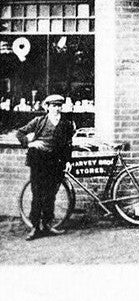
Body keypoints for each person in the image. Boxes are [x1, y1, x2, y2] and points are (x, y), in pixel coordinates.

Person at [15, 95, 76, 240]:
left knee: (50, 195)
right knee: (37, 194)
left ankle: (47, 225)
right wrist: (29, 143)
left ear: (61, 107)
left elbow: (68, 144)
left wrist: (68, 161)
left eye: (58, 105)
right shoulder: (39, 121)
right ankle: (35, 228)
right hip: (38, 161)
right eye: (53, 105)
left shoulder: (66, 124)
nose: (56, 108)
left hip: (56, 162)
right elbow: (20, 133)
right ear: (47, 107)